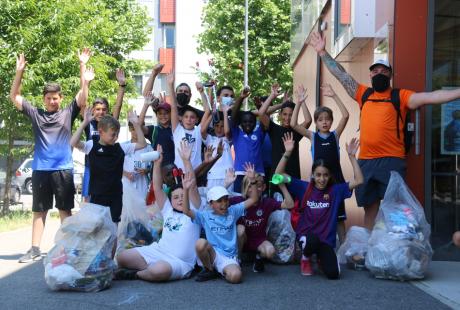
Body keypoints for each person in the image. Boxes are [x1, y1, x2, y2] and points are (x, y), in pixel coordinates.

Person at [309, 31, 460, 230]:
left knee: (395, 209)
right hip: (366, 162)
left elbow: (431, 97)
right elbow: (341, 75)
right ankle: (371, 250)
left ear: (390, 74)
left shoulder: (401, 96)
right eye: (375, 71)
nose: (378, 74)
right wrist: (322, 53)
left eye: (383, 70)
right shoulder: (363, 93)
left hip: (392, 161)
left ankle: (392, 251)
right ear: (370, 74)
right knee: (370, 208)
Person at [10, 52, 90, 263]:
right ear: (44, 99)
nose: (52, 101)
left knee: (65, 210)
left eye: (55, 98)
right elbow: (14, 97)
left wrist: (82, 66)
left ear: (60, 98)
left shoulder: (67, 113)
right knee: (39, 210)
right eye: (48, 98)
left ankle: (70, 248)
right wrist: (19, 72)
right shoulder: (36, 113)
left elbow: (83, 96)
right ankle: (35, 249)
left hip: (63, 169)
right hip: (40, 170)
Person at [278, 133, 363, 278]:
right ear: (313, 175)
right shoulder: (304, 187)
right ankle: (305, 258)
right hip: (307, 237)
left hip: (325, 241)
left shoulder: (336, 190)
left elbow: (359, 180)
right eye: (318, 175)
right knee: (312, 240)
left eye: (325, 175)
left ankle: (319, 258)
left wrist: (352, 158)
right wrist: (287, 152)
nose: (321, 179)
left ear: (329, 176)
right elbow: (278, 175)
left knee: (333, 274)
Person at [115, 143, 203, 282]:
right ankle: (148, 269)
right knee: (122, 257)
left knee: (159, 270)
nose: (180, 200)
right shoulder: (168, 211)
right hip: (158, 251)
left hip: (179, 262)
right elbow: (157, 188)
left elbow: (192, 186)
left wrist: (186, 161)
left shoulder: (194, 211)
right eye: (175, 197)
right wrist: (157, 164)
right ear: (170, 200)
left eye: (182, 196)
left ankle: (136, 274)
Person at [290, 83, 349, 243]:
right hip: (317, 183)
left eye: (328, 119)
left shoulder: (335, 135)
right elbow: (294, 124)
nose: (324, 122)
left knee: (339, 217)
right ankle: (315, 245)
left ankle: (342, 249)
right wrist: (300, 103)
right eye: (321, 120)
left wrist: (334, 95)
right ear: (316, 123)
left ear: (331, 122)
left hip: (335, 181)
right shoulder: (313, 137)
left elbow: (345, 116)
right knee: (316, 213)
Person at [70, 108, 146, 223]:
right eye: (113, 135)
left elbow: (142, 144)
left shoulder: (120, 148)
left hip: (115, 196)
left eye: (117, 135)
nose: (116, 138)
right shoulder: (92, 146)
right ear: (101, 132)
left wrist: (136, 124)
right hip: (97, 196)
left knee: (113, 227)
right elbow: (73, 142)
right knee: (98, 228)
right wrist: (84, 122)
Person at [182, 183, 259, 284]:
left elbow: (253, 199)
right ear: (211, 204)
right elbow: (186, 211)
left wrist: (252, 181)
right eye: (219, 201)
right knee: (200, 243)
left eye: (226, 199)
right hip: (213, 254)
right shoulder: (205, 215)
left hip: (229, 256)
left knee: (236, 277)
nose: (224, 204)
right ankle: (209, 270)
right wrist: (186, 190)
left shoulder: (233, 211)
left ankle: (223, 270)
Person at [231, 162, 294, 273]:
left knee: (270, 251)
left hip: (258, 240)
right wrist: (226, 184)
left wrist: (282, 186)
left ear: (264, 187)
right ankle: (238, 258)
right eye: (250, 185)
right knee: (240, 229)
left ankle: (258, 258)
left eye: (258, 186)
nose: (253, 189)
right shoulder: (238, 201)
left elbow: (290, 205)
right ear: (245, 187)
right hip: (242, 240)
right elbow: (217, 203)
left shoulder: (267, 202)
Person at [81, 68, 127, 201]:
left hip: (108, 166)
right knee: (88, 202)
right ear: (92, 111)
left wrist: (122, 86)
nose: (101, 112)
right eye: (98, 109)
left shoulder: (110, 122)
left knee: (108, 200)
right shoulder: (88, 122)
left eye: (104, 109)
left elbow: (118, 106)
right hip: (91, 167)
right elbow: (83, 103)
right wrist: (86, 82)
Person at [258, 83, 312, 194]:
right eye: (285, 114)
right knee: (277, 209)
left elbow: (308, 120)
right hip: (277, 177)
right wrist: (272, 96)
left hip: (293, 177)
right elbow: (261, 113)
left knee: (294, 209)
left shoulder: (296, 130)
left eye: (291, 114)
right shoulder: (274, 128)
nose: (287, 118)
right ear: (280, 115)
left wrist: (301, 102)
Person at [229, 86, 267, 193]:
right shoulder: (237, 133)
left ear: (255, 123)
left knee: (258, 203)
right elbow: (233, 115)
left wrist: (259, 106)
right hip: (240, 174)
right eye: (245, 122)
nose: (247, 124)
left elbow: (264, 117)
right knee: (239, 201)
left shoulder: (259, 132)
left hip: (258, 174)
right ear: (241, 123)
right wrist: (241, 98)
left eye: (250, 121)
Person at [168, 72, 207, 170]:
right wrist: (170, 85)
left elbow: (208, 112)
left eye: (192, 117)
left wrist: (202, 92)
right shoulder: (177, 130)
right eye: (186, 117)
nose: (189, 119)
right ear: (180, 118)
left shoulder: (198, 130)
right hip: (179, 172)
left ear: (197, 120)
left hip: (196, 171)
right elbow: (173, 106)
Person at [201, 104, 233, 190]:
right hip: (212, 176)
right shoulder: (210, 139)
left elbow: (227, 131)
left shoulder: (227, 139)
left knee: (228, 200)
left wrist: (225, 113)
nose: (219, 129)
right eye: (217, 126)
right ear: (213, 127)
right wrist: (212, 114)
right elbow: (202, 130)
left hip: (227, 175)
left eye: (222, 126)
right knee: (212, 200)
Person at [121, 121, 153, 198]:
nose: (136, 132)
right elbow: (115, 164)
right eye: (133, 129)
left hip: (142, 185)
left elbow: (153, 166)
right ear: (130, 129)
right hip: (125, 184)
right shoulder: (123, 146)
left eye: (139, 130)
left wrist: (146, 170)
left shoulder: (149, 148)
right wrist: (125, 174)